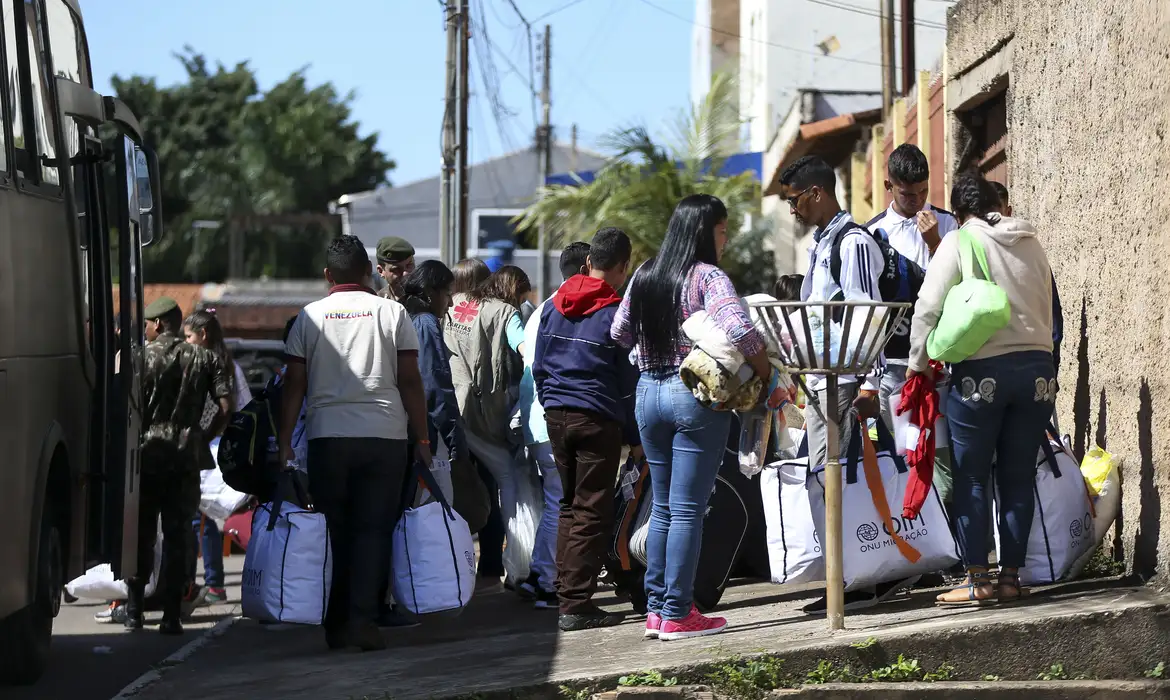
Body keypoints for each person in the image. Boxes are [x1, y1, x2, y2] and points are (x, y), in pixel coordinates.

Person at [612, 194, 778, 641]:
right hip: (695, 395)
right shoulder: (707, 277)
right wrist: (769, 375)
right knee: (688, 509)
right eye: (723, 231)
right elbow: (743, 330)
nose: (725, 240)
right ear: (707, 231)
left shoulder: (646, 273)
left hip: (648, 393)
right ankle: (679, 611)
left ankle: (656, 611)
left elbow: (618, 332)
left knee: (663, 506)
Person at [278, 235, 433, 651]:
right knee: (373, 532)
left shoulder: (309, 317)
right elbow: (410, 380)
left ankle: (335, 623)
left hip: (327, 437)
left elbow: (294, 384)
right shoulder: (391, 312)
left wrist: (284, 442)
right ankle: (364, 622)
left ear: (328, 275)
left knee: (335, 531)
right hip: (384, 438)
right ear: (369, 271)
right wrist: (420, 437)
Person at [907, 172, 1055, 606]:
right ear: (996, 203)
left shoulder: (959, 240)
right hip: (1038, 372)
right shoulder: (1031, 240)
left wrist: (919, 365)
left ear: (957, 212)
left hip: (981, 374)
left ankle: (976, 580)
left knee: (972, 476)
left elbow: (928, 306)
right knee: (1018, 476)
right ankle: (1010, 578)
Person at [779, 155, 917, 612]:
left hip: (846, 384)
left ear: (816, 193)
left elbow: (866, 316)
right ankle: (846, 577)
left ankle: (859, 579)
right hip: (823, 381)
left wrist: (868, 386)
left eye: (795, 200)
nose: (793, 210)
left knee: (838, 478)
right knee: (827, 478)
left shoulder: (852, 242)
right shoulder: (823, 243)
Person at [534, 229, 641, 631]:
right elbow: (626, 385)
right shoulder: (616, 315)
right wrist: (636, 440)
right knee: (592, 510)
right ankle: (575, 605)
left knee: (568, 505)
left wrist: (550, 404)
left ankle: (568, 594)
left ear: (588, 261)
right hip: (597, 418)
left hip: (558, 416)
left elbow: (539, 365)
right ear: (623, 266)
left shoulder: (552, 305)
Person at [127, 297, 231, 635]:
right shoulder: (206, 358)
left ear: (157, 324)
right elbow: (227, 407)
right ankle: (172, 615)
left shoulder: (140, 357)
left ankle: (133, 611)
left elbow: (125, 407)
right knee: (177, 535)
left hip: (146, 454)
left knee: (141, 534)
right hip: (185, 456)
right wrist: (203, 435)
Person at [445, 265, 531, 588]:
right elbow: (526, 348)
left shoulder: (454, 304)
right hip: (483, 417)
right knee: (507, 479)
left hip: (454, 412)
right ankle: (517, 561)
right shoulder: (505, 313)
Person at [517, 241, 591, 609]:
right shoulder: (573, 308)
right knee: (563, 503)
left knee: (555, 503)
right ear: (588, 266)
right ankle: (546, 580)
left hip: (537, 420)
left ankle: (538, 574)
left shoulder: (542, 309)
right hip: (554, 420)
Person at [868, 144, 960, 434]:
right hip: (894, 359)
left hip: (940, 358)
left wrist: (935, 243)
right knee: (900, 449)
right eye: (907, 194)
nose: (917, 201)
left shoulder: (948, 223)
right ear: (888, 186)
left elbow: (956, 284)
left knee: (939, 448)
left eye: (923, 192)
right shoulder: (873, 233)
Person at [399, 261, 489, 533]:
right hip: (429, 434)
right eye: (448, 293)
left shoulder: (405, 316)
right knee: (438, 512)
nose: (450, 303)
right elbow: (436, 385)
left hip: (406, 429)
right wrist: (454, 440)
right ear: (431, 292)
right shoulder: (426, 323)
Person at [182, 309, 253, 605]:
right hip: (219, 453)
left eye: (189, 337)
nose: (185, 342)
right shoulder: (230, 366)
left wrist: (206, 436)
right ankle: (210, 583)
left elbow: (228, 409)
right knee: (203, 520)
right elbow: (246, 407)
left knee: (199, 521)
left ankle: (210, 584)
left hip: (207, 453)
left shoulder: (206, 367)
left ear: (203, 335)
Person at [991, 182, 1064, 385]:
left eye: (996, 214)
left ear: (1008, 211)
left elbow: (1052, 318)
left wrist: (1050, 368)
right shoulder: (978, 254)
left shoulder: (1031, 253)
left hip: (1031, 367)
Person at [375, 236, 416, 301]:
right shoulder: (378, 302)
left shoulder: (428, 298)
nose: (405, 273)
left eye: (409, 265)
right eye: (396, 269)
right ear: (381, 271)